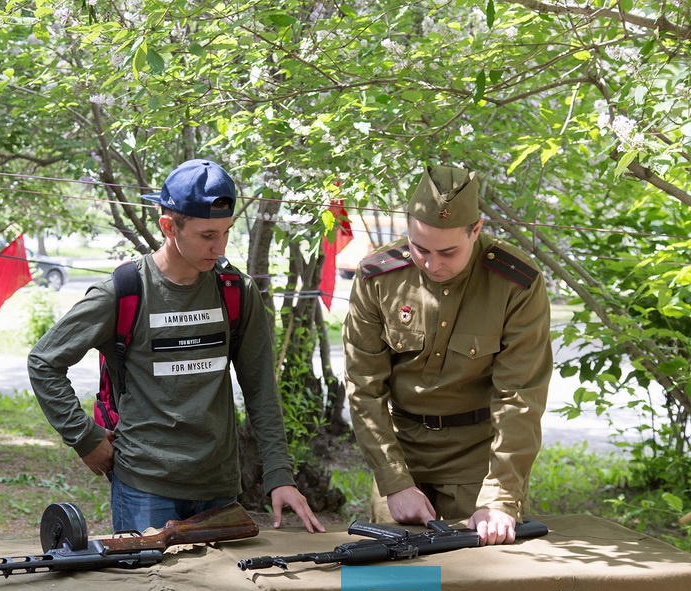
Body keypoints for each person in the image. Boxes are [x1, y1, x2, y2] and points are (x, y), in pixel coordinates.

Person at [28, 159, 324, 534]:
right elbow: (44, 361)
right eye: (206, 235)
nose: (218, 247)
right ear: (168, 226)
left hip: (219, 487)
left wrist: (280, 474)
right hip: (145, 488)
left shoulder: (235, 291)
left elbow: (260, 388)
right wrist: (84, 437)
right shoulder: (124, 292)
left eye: (225, 232)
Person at [342, 165, 552, 545]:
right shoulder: (378, 277)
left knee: (476, 579)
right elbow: (363, 387)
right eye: (420, 248)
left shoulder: (515, 284)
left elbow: (520, 396)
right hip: (400, 449)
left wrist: (500, 496)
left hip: (477, 455)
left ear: (476, 229)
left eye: (448, 252)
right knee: (395, 586)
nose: (432, 264)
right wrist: (394, 480)